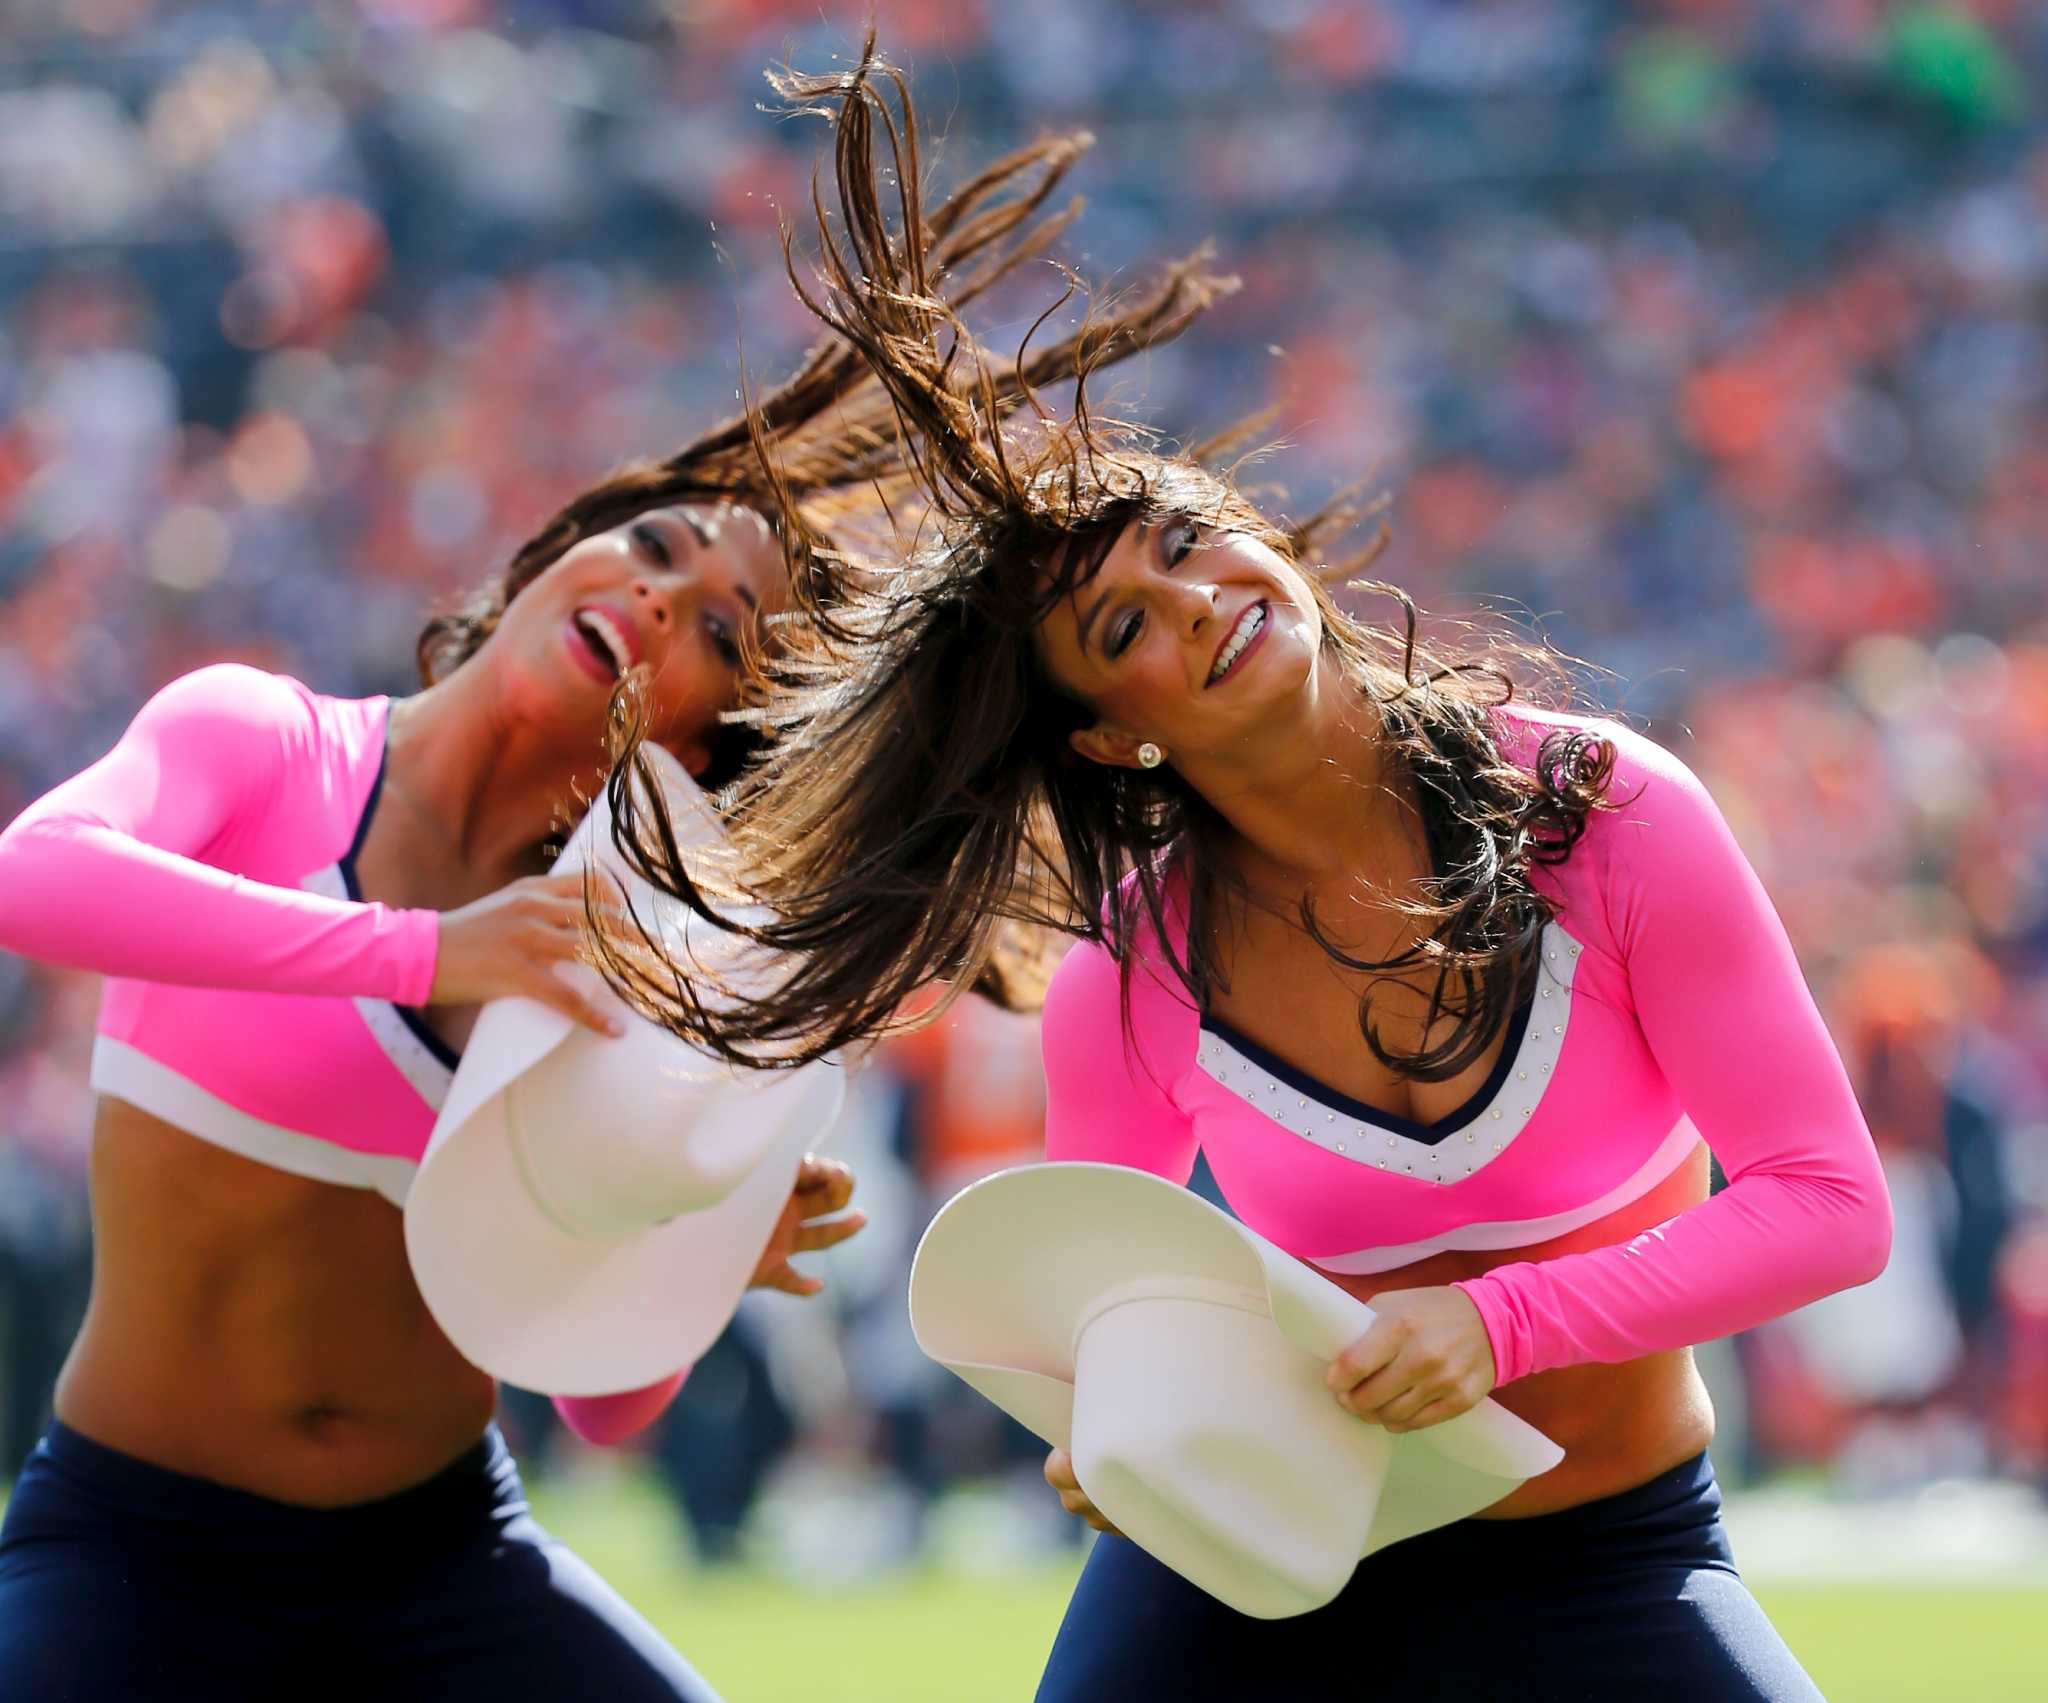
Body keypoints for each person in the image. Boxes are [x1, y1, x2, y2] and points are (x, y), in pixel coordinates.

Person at [605, 47, 1895, 1701]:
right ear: (1111, 738)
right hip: (1256, 1584)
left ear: (1259, 531)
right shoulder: (1128, 984)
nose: (1196, 597)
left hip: (1605, 1561)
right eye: (1124, 629)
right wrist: (1103, 1429)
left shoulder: (1605, 815)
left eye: (1184, 538)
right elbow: (1103, 1311)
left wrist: (1504, 1327)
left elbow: (1828, 1208)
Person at [0, 79, 1227, 1697]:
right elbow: (38, 881)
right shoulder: (266, 741)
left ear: (717, 732)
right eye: (658, 550)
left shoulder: (639, 944)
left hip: (443, 1566)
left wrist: (687, 1234)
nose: (659, 602)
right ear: (562, 550)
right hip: (134, 1550)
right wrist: (424, 950)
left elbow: (597, 1405)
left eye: (720, 632)